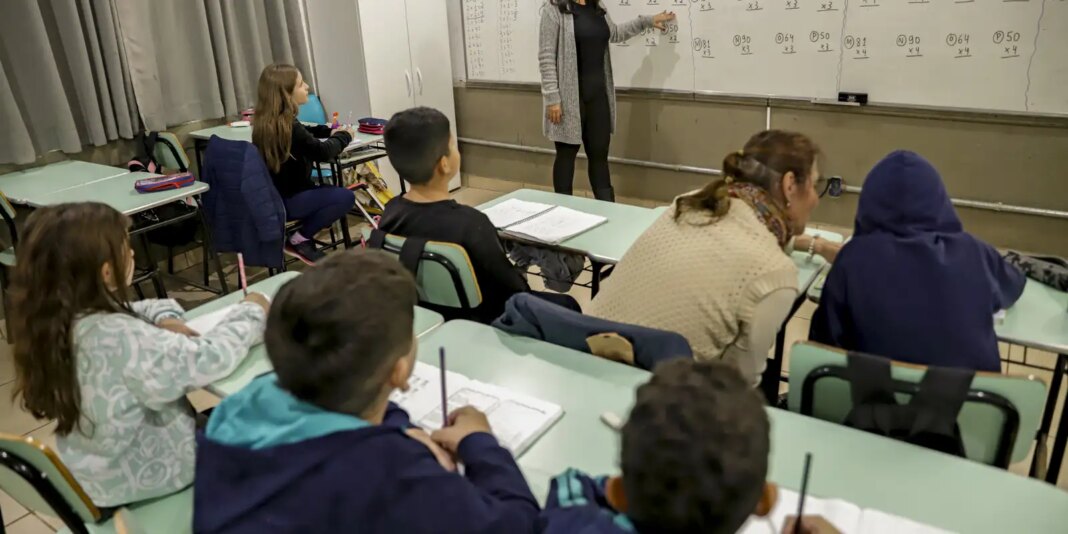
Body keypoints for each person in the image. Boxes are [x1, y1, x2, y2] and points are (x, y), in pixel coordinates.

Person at [194, 251, 539, 533]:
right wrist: (480, 443)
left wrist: (404, 429)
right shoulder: (392, 474)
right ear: (400, 372)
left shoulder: (243, 403)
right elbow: (519, 524)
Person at [9, 202, 269, 509]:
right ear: (107, 271)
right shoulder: (119, 338)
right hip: (154, 475)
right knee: (264, 428)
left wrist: (167, 318)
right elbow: (211, 357)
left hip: (98, 473)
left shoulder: (57, 320)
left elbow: (137, 310)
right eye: (126, 247)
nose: (132, 254)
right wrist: (253, 308)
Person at [587, 130, 834, 385]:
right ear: (790, 185)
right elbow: (738, 382)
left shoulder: (689, 203)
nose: (816, 198)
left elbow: (737, 233)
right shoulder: (774, 273)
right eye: (815, 185)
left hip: (583, 361)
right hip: (655, 402)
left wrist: (815, 244)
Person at [538, 359, 838, 534]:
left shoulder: (575, 522)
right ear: (765, 500)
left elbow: (571, 484)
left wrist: (640, 483)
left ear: (618, 494)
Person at [810, 150, 1026, 372]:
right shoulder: (975, 252)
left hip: (872, 400)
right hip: (971, 402)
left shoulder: (852, 258)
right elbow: (1014, 285)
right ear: (939, 199)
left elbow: (823, 342)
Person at [378, 106, 578, 324]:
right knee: (569, 305)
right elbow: (516, 291)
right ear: (444, 164)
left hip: (429, 317)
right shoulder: (471, 224)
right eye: (453, 145)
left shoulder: (390, 212)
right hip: (486, 322)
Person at [539, 1, 675, 202]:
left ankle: (609, 210)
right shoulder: (555, 9)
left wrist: (647, 21)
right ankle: (562, 211)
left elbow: (615, 33)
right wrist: (552, 98)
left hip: (598, 97)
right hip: (568, 100)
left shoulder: (597, 7)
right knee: (566, 156)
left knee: (599, 157)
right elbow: (546, 56)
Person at [252, 63, 356, 265]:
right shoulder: (289, 126)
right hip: (288, 201)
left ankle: (297, 237)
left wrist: (327, 131)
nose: (307, 87)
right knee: (344, 197)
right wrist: (345, 136)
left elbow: (305, 133)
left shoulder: (268, 122)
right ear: (286, 93)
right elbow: (323, 152)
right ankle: (299, 239)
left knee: (328, 192)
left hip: (275, 197)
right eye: (301, 84)